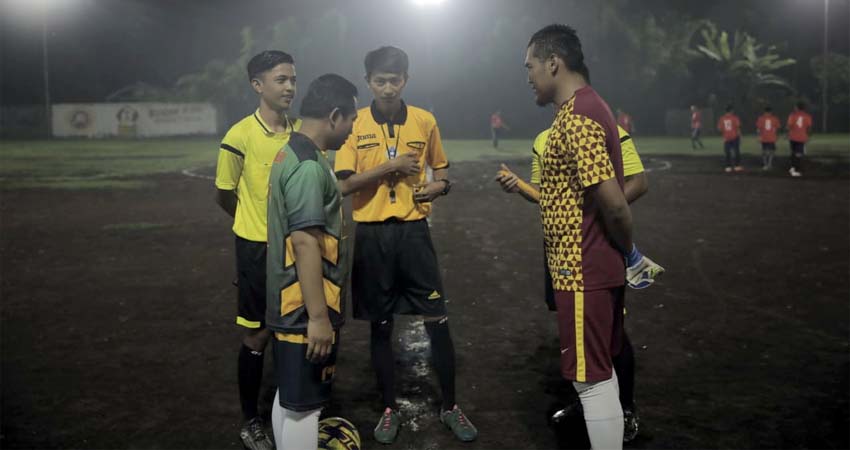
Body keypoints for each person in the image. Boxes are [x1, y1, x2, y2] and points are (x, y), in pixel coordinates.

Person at [521, 24, 661, 450]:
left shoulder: (578, 115)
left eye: (530, 66)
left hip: (583, 268)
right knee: (602, 370)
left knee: (591, 379)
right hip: (589, 265)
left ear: (553, 63)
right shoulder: (585, 108)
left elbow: (615, 203)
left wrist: (628, 251)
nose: (527, 76)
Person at [333, 46, 478, 444]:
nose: (387, 87)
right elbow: (344, 184)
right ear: (368, 83)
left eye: (394, 80)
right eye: (379, 80)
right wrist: (389, 167)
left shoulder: (424, 121)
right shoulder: (354, 123)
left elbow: (442, 167)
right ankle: (388, 409)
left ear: (406, 81)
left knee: (438, 320)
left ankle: (450, 406)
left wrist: (440, 185)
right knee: (381, 326)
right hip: (373, 237)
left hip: (414, 235)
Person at [495, 123, 648, 443]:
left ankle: (626, 408)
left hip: (598, 247)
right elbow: (546, 196)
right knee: (576, 328)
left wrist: (595, 217)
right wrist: (519, 186)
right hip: (560, 248)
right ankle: (588, 402)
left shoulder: (608, 131)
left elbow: (639, 182)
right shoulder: (543, 138)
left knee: (611, 331)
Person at [265, 73, 359, 450]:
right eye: (351, 119)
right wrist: (318, 318)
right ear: (335, 115)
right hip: (303, 309)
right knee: (306, 409)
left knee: (290, 398)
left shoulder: (294, 150)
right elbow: (304, 242)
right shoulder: (307, 166)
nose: (353, 129)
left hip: (290, 304)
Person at [214, 50, 299, 450]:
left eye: (292, 79)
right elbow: (224, 193)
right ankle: (251, 420)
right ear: (257, 85)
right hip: (257, 248)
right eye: (280, 79)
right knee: (258, 336)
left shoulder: (301, 131)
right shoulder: (239, 135)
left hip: (298, 247)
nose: (289, 87)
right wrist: (253, 222)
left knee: (293, 332)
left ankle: (292, 412)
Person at [786, 102, 813, 177]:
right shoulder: (807, 116)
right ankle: (797, 169)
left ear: (797, 107)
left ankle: (793, 168)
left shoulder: (792, 115)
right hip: (802, 137)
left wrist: (787, 134)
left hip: (793, 137)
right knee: (799, 154)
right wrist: (809, 136)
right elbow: (809, 128)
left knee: (793, 152)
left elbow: (789, 126)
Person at [717, 105, 743, 173]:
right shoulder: (734, 118)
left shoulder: (722, 118)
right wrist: (740, 137)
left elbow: (719, 129)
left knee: (727, 152)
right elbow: (738, 128)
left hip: (726, 138)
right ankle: (737, 166)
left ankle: (728, 167)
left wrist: (724, 132)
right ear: (731, 111)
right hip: (734, 137)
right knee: (736, 152)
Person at [756, 106, 780, 170]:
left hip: (764, 137)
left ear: (765, 112)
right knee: (771, 151)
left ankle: (765, 164)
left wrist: (759, 136)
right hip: (771, 137)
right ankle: (769, 164)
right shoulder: (774, 118)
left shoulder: (761, 118)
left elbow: (758, 129)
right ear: (771, 112)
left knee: (764, 151)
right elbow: (777, 128)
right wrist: (776, 136)